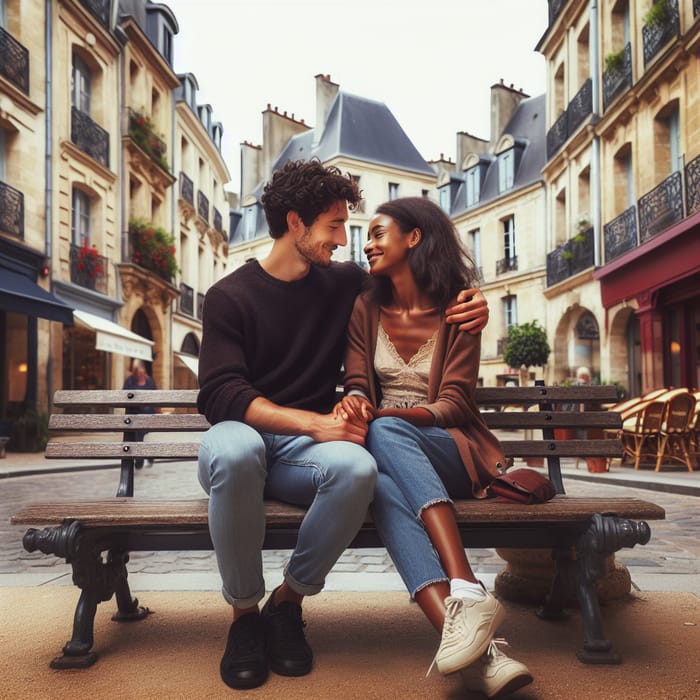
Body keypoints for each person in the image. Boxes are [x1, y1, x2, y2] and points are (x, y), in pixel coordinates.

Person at [196, 159, 491, 691]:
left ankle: (286, 603)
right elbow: (222, 395)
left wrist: (472, 302)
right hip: (240, 436)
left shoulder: (346, 285)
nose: (343, 239)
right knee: (239, 452)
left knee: (357, 469)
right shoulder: (229, 296)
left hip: (299, 456)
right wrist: (313, 423)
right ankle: (244, 618)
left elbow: (419, 287)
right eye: (334, 225)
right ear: (295, 224)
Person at [341, 197, 532, 697]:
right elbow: (357, 378)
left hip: (449, 449)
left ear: (415, 237)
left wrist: (382, 419)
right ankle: (480, 655)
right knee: (380, 489)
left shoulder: (459, 306)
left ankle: (465, 583)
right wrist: (359, 402)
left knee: (385, 435)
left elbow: (453, 404)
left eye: (379, 232)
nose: (368, 242)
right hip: (395, 458)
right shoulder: (366, 306)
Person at [122, 358, 156, 469]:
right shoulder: (130, 381)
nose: (139, 371)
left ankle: (142, 460)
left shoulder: (149, 381)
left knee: (141, 438)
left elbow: (154, 396)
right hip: (133, 415)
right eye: (136, 369)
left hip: (146, 416)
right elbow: (125, 395)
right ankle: (138, 461)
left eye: (141, 369)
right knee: (135, 438)